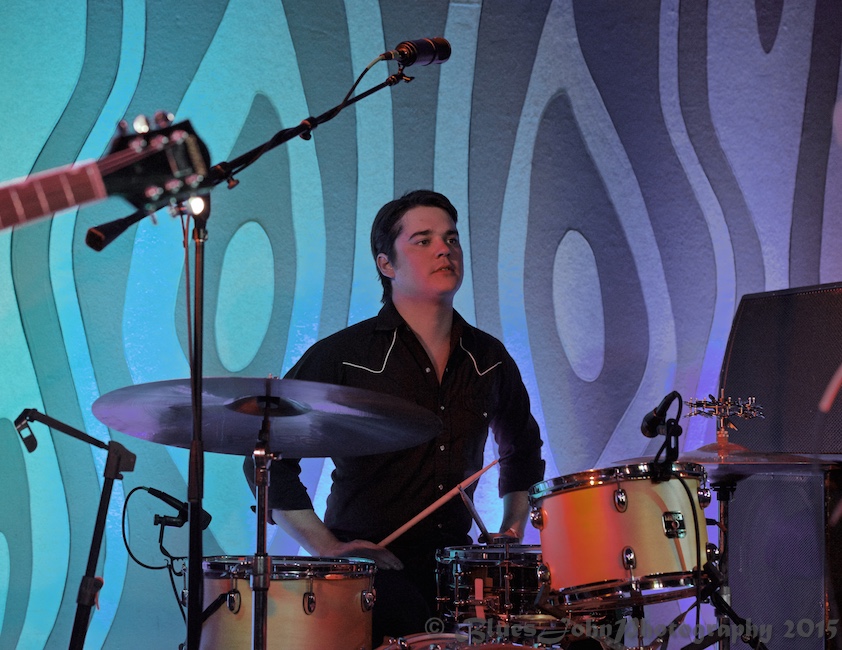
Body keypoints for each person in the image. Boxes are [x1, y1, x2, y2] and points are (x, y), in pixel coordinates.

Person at [244, 189, 544, 645]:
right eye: (423, 240)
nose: (445, 249)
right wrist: (329, 549)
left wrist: (511, 529)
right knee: (406, 616)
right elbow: (264, 456)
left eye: (451, 238)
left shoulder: (489, 357)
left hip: (457, 571)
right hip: (368, 571)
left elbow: (522, 450)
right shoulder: (345, 356)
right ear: (387, 265)